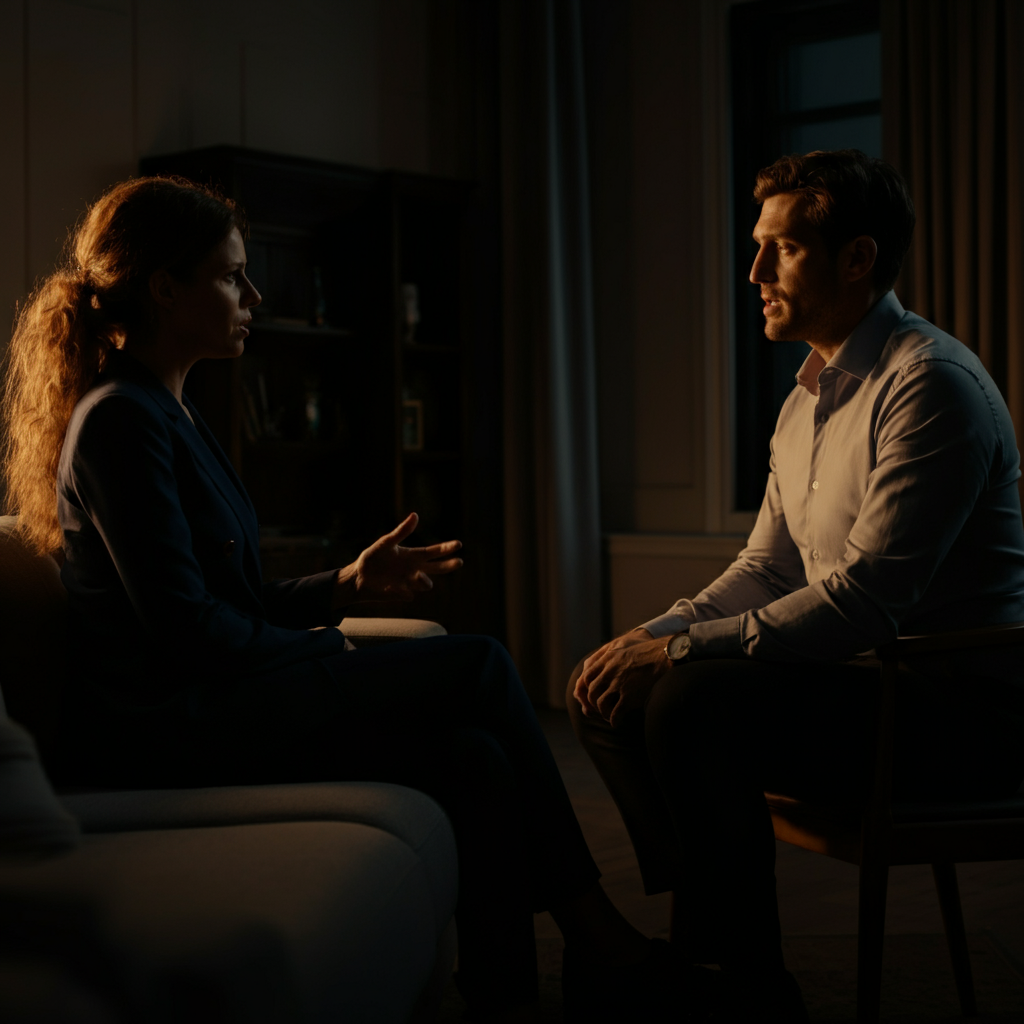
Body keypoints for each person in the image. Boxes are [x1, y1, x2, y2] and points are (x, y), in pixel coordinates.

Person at [1, 176, 721, 1024]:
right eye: (233, 276)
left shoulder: (170, 411)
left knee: (473, 758)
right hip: (166, 725)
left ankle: (507, 992)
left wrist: (345, 586)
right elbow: (187, 632)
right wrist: (329, 646)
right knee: (481, 663)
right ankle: (601, 934)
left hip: (207, 696)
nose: (253, 295)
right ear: (165, 287)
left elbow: (229, 598)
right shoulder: (119, 420)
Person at [568, 150, 1024, 1022]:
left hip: (956, 716)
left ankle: (744, 984)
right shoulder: (806, 398)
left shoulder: (930, 386)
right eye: (757, 247)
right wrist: (647, 636)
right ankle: (710, 945)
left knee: (689, 701)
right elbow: (767, 570)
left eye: (780, 249)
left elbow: (864, 602)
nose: (754, 273)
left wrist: (678, 649)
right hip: (868, 690)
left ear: (857, 258)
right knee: (605, 690)